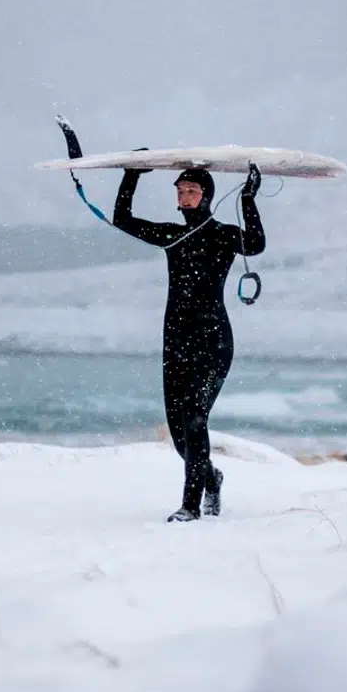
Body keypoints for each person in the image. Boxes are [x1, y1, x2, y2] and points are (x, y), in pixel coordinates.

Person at [113, 163, 264, 521]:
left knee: (195, 418)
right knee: (181, 434)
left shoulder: (223, 236)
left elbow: (256, 243)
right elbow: (122, 219)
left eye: (192, 191)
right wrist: (132, 174)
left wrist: (247, 198)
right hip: (176, 343)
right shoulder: (171, 235)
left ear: (206, 195)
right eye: (180, 191)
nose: (184, 196)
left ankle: (190, 507)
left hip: (213, 343)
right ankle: (211, 478)